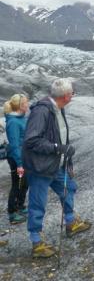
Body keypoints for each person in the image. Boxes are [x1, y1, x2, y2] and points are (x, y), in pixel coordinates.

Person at [23, 79, 91, 258]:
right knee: (38, 205)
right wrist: (58, 148)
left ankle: (70, 223)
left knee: (69, 188)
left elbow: (61, 136)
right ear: (67, 96)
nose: (72, 96)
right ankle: (36, 243)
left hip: (56, 164)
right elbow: (31, 140)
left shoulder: (57, 109)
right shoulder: (42, 111)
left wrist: (66, 160)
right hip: (40, 167)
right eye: (72, 93)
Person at [4, 94, 29, 225]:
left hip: (23, 156)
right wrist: (19, 164)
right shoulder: (13, 122)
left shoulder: (20, 118)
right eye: (26, 103)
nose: (28, 105)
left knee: (24, 183)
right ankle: (12, 213)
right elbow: (14, 145)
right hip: (16, 158)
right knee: (17, 184)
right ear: (20, 106)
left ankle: (20, 206)